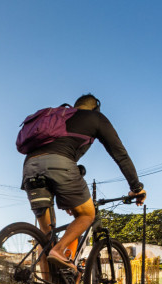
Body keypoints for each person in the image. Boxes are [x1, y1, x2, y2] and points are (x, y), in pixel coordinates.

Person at [21, 93, 146, 271]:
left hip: (30, 166)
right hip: (60, 164)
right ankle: (58, 250)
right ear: (96, 107)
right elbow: (120, 154)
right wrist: (136, 188)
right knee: (87, 214)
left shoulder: (61, 117)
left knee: (45, 235)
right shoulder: (96, 118)